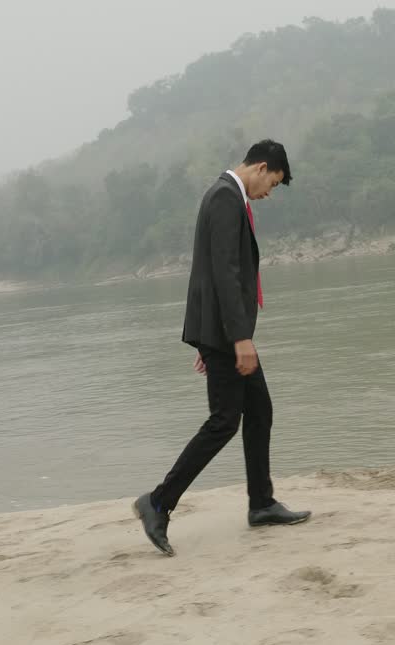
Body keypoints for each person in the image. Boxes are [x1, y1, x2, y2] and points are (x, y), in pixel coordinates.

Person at [133, 139, 310, 557]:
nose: (268, 193)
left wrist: (212, 336)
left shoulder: (224, 195)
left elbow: (213, 273)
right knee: (224, 421)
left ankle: (262, 503)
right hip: (229, 335)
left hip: (221, 332)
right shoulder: (227, 198)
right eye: (272, 184)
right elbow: (226, 274)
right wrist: (237, 339)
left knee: (259, 410)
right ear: (262, 167)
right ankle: (158, 502)